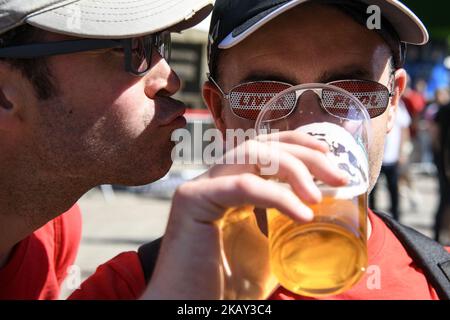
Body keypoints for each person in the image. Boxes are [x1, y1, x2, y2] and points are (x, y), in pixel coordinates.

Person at [141, 0, 450, 300]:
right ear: (219, 112)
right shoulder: (135, 284)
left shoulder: (440, 280)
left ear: (393, 102)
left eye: (352, 93)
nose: (310, 127)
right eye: (265, 95)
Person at [0, 0, 213, 299]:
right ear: (4, 94)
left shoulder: (53, 227)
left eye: (157, 43)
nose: (170, 80)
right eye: (125, 48)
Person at [369, 100, 412, 220]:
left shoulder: (399, 107)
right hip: (377, 157)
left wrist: (403, 152)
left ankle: (396, 217)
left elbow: (405, 130)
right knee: (373, 191)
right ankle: (373, 217)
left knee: (393, 189)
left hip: (392, 157)